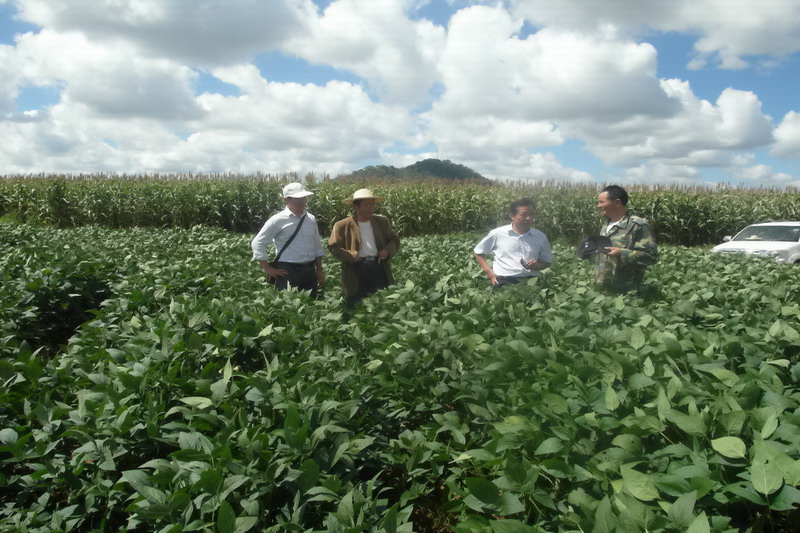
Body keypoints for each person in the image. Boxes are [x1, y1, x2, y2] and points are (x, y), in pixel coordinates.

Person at [328, 188, 400, 311]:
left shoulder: (382, 222)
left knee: (380, 304)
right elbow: (334, 246)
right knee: (356, 304)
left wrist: (387, 251)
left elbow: (394, 239)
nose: (371, 208)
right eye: (367, 205)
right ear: (356, 207)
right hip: (355, 269)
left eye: (373, 204)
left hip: (378, 267)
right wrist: (351, 255)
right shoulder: (342, 225)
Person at [251, 182, 324, 297]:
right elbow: (258, 243)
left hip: (310, 270)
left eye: (304, 197)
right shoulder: (277, 220)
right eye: (298, 198)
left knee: (311, 304)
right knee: (288, 305)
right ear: (286, 200)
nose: (303, 201)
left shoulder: (311, 219)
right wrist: (268, 269)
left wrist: (319, 270)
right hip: (288, 271)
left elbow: (317, 247)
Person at [474, 198, 552, 288]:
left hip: (531, 281)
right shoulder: (498, 233)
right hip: (503, 280)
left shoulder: (540, 236)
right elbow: (479, 252)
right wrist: (488, 271)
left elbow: (547, 261)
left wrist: (536, 265)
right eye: (523, 214)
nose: (528, 218)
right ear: (512, 216)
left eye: (531, 214)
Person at [594, 185, 658, 293]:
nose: (598, 206)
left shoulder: (637, 225)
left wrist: (621, 253)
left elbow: (651, 256)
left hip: (626, 293)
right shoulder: (605, 226)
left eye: (602, 202)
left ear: (617, 202)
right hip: (603, 291)